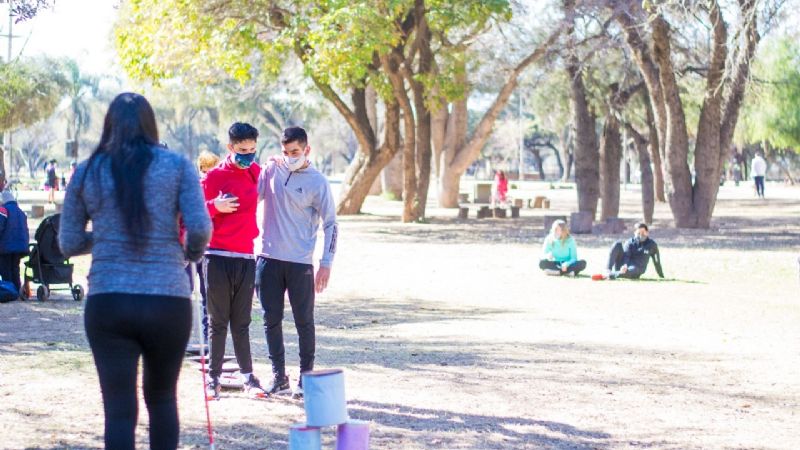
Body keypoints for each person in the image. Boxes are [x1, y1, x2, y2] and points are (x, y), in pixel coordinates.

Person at [59, 93, 212, 450]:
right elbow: (201, 228)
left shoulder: (86, 171)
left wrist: (108, 236)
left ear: (108, 124)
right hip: (167, 299)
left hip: (109, 300)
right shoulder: (176, 166)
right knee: (162, 398)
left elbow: (67, 242)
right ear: (151, 124)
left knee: (118, 411)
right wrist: (187, 254)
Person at [256, 126, 337, 398]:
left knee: (304, 321)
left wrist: (326, 263)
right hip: (268, 259)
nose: (290, 156)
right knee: (271, 320)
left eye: (295, 152)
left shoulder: (318, 182)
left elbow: (331, 224)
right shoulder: (271, 170)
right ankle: (279, 376)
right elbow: (252, 196)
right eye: (286, 152)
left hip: (300, 264)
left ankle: (306, 377)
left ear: (306, 150)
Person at [201, 123, 266, 399]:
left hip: (245, 258)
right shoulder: (213, 177)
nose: (248, 155)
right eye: (242, 150)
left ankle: (248, 378)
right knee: (218, 321)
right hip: (216, 257)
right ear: (230, 148)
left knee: (241, 321)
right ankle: (213, 379)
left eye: (252, 150)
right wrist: (214, 206)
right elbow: (190, 216)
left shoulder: (255, 173)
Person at [592, 222, 664, 280]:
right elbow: (626, 256)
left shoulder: (652, 245)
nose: (641, 235)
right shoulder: (629, 242)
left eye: (643, 232)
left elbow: (657, 261)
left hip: (637, 269)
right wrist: (624, 265)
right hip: (624, 267)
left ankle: (608, 275)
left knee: (631, 270)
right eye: (638, 233)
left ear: (647, 232)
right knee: (617, 244)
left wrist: (661, 276)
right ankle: (607, 270)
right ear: (635, 233)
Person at [0, 188, 29, 298]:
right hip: (20, 247)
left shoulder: (3, 210)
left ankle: (8, 291)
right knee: (15, 268)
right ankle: (17, 289)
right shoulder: (21, 212)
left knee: (5, 268)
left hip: (6, 247)